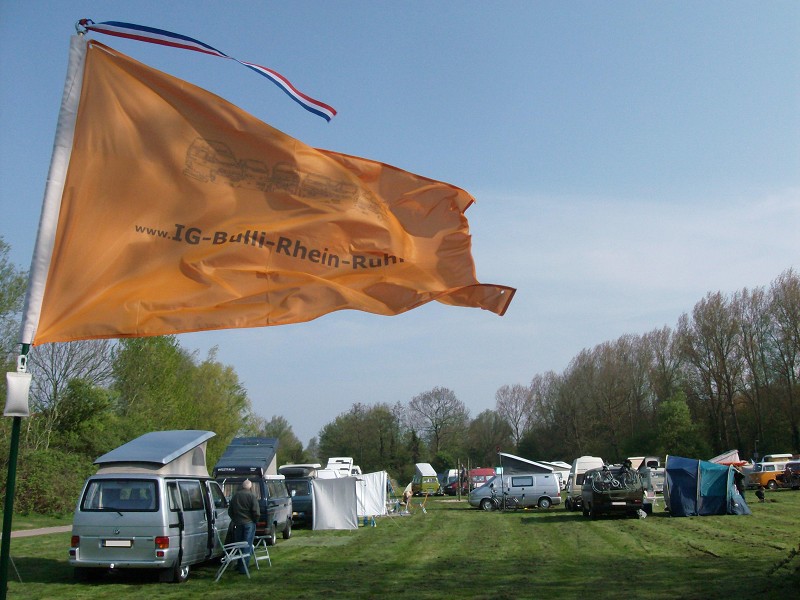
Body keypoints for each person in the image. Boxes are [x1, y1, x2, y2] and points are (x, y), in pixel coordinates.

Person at [228, 479, 260, 574]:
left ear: (242, 486)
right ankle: (244, 568)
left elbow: (230, 511)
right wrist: (255, 520)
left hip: (238, 523)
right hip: (249, 523)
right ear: (250, 487)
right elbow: (256, 511)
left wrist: (235, 519)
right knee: (247, 544)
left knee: (239, 544)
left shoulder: (235, 496)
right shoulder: (251, 496)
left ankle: (239, 564)